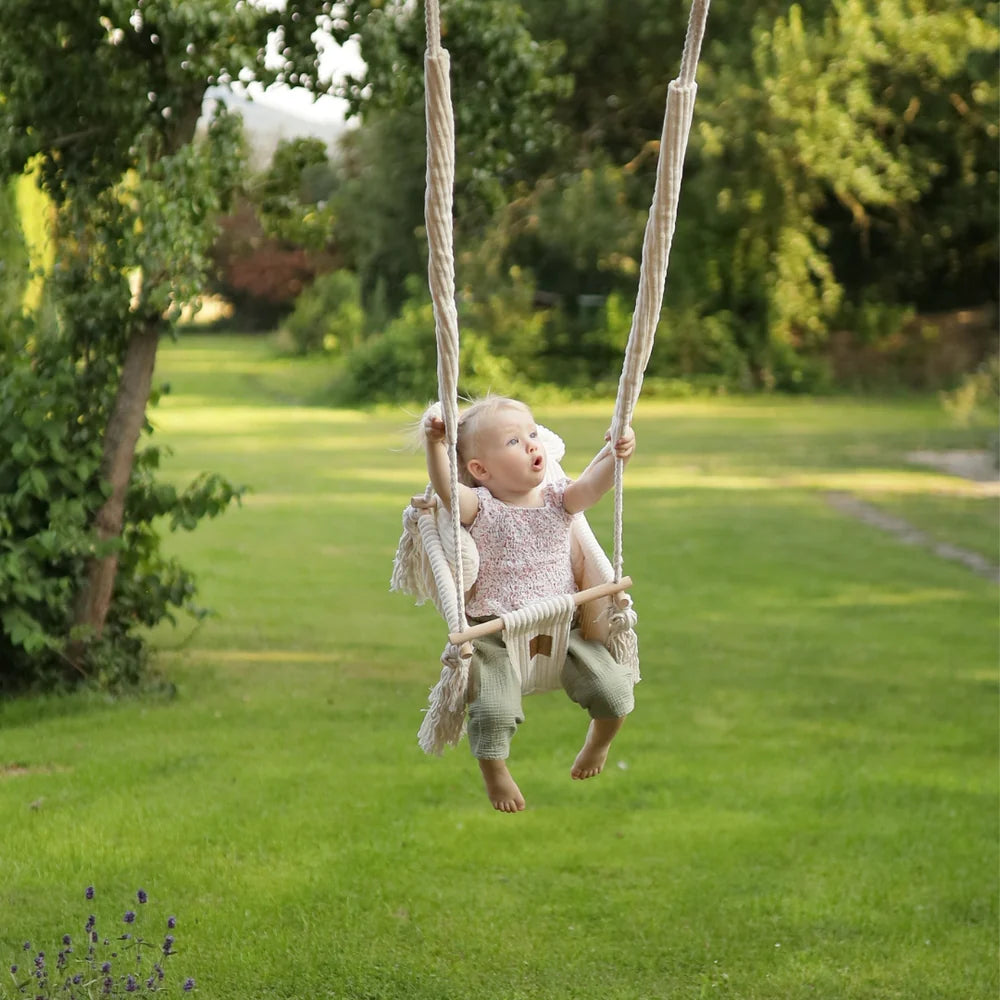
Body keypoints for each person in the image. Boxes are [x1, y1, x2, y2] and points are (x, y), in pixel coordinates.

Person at [423, 396, 636, 813]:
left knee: (615, 690)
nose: (532, 445)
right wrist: (435, 444)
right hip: (495, 634)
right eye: (514, 442)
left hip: (563, 626)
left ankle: (599, 743)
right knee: (492, 712)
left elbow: (594, 484)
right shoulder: (480, 509)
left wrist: (617, 452)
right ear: (481, 470)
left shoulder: (559, 499)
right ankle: (495, 772)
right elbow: (446, 488)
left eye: (533, 434)